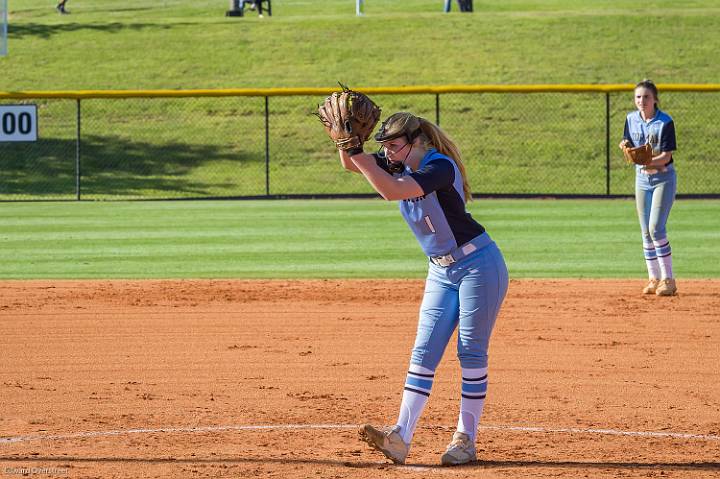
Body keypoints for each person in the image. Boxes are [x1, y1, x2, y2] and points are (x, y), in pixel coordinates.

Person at [338, 112, 509, 466]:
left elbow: (391, 191)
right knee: (424, 351)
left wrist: (362, 155)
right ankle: (400, 436)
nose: (387, 154)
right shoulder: (399, 165)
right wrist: (347, 143)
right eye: (383, 147)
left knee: (471, 353)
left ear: (417, 142)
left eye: (393, 146)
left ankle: (465, 440)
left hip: (479, 265)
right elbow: (352, 165)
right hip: (440, 271)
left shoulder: (439, 167)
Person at [620, 79, 678, 296]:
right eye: (638, 97)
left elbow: (666, 157)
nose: (641, 101)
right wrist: (624, 146)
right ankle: (653, 279)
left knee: (656, 228)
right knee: (645, 231)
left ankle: (668, 280)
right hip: (641, 180)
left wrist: (646, 162)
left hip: (663, 178)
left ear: (655, 99)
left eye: (646, 97)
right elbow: (626, 141)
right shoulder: (631, 119)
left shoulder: (665, 122)